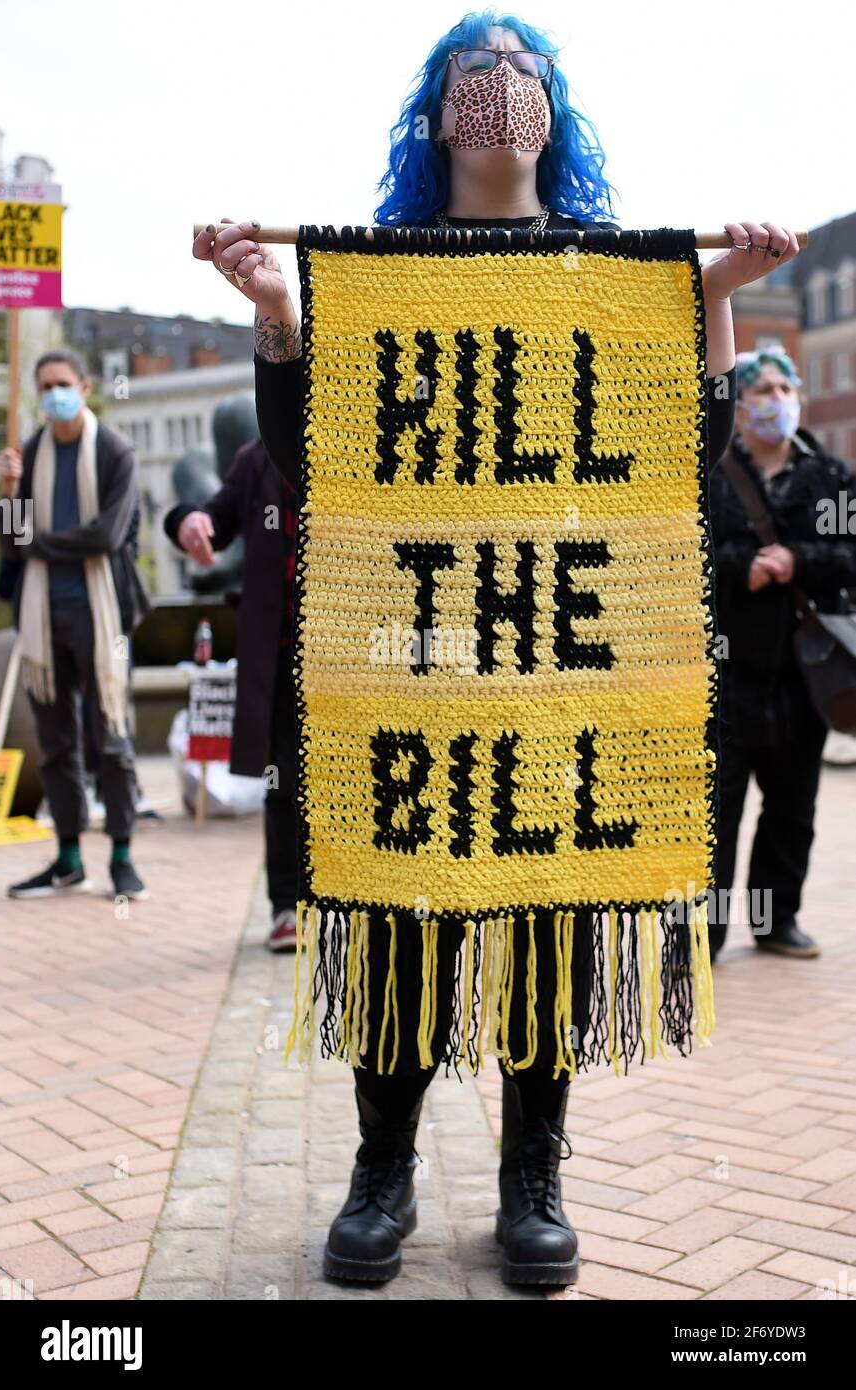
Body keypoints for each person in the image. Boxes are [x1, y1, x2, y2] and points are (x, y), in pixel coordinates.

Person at [192, 12, 799, 1287]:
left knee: (545, 922)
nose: (499, 86)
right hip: (418, 648)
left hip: (558, 662)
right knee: (401, 913)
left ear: (552, 108)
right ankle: (382, 1170)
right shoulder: (380, 271)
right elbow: (318, 461)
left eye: (521, 67)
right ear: (437, 110)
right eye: (477, 66)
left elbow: (670, 459)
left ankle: (536, 1171)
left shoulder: (609, 273)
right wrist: (274, 314)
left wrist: (714, 305)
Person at [709, 346, 856, 962]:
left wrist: (798, 560)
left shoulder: (829, 479)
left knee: (791, 807)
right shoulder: (712, 475)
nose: (776, 400)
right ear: (738, 408)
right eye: (761, 390)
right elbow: (681, 554)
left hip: (803, 674)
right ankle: (702, 935)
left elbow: (850, 555)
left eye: (782, 387)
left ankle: (778, 921)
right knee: (715, 816)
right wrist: (745, 569)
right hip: (723, 674)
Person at [0, 348, 151, 901]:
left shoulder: (114, 451)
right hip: (42, 617)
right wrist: (9, 494)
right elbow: (11, 543)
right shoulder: (30, 451)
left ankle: (123, 857)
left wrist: (39, 544)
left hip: (101, 613)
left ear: (85, 388)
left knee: (110, 734)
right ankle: (67, 858)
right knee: (56, 742)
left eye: (62, 383)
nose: (53, 393)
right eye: (44, 386)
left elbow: (106, 536)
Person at [163, 435, 301, 951]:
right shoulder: (257, 457)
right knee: (283, 781)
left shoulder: (362, 435)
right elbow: (211, 522)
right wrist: (186, 521)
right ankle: (287, 907)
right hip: (284, 651)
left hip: (355, 649)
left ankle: (353, 899)